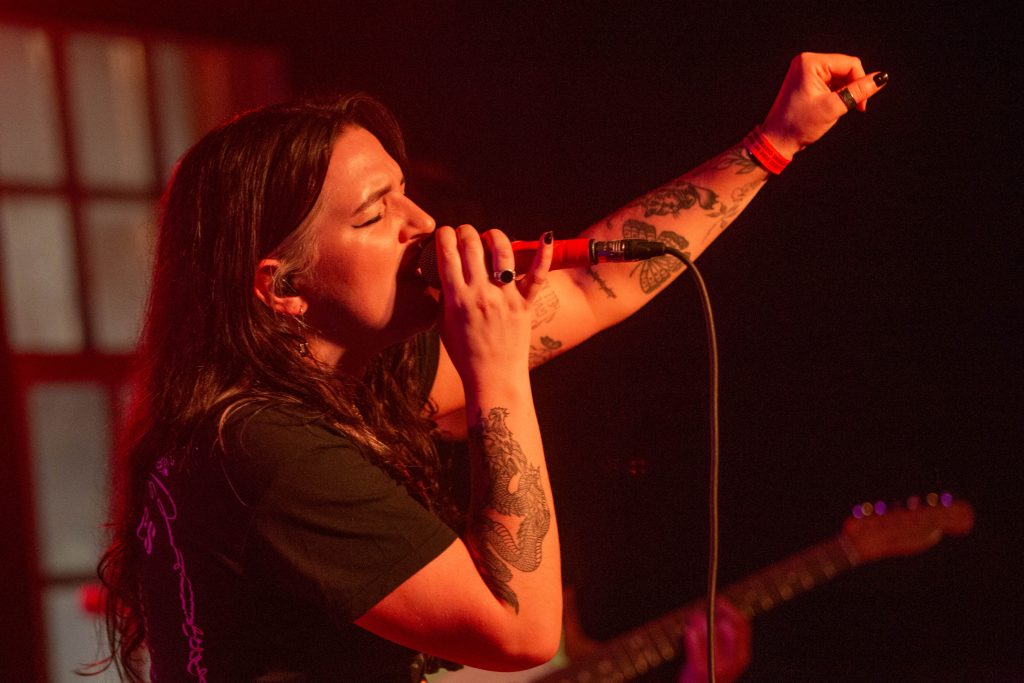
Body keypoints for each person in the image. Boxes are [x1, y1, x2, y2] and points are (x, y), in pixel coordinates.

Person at [94, 52, 887, 682]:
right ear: (282, 287)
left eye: (404, 193)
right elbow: (521, 632)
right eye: (375, 214)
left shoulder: (350, 376)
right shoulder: (256, 448)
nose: (424, 224)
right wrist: (497, 372)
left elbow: (592, 284)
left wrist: (773, 144)